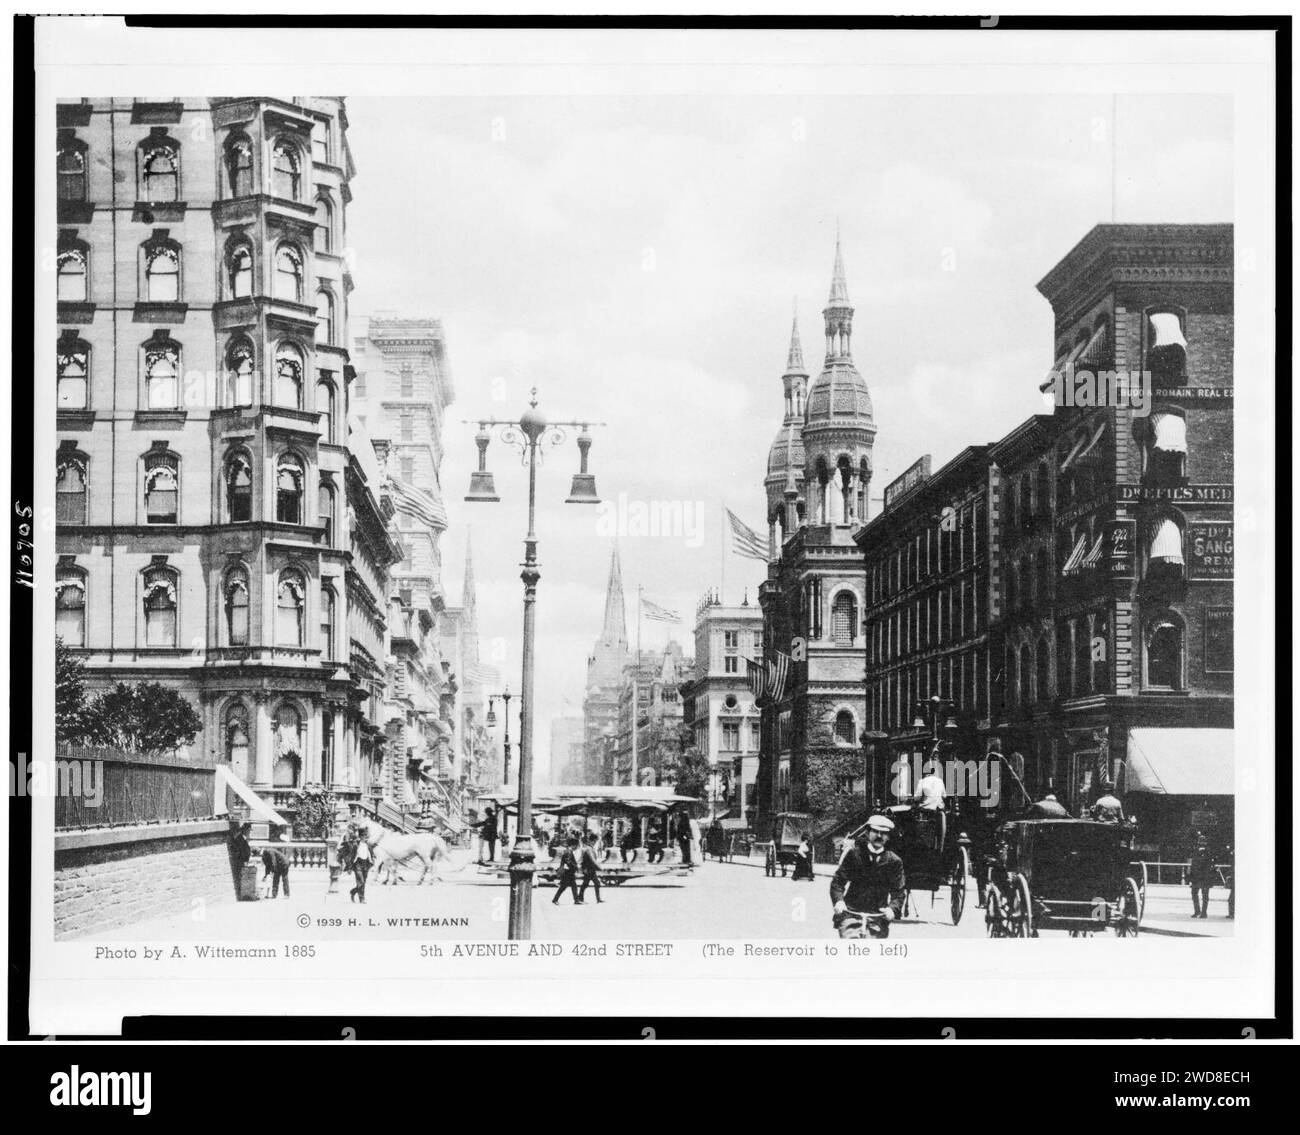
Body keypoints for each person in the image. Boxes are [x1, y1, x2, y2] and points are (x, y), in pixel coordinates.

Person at [830, 815, 906, 939]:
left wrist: (892, 909)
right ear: (868, 832)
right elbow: (837, 882)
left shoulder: (894, 861)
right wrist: (839, 901)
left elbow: (899, 892)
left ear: (888, 837)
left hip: (878, 917)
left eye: (884, 833)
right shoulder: (855, 855)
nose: (879, 836)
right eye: (875, 831)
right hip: (851, 914)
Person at [1188, 835, 1215, 918]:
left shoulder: (1198, 852)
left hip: (1199, 878)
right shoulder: (1208, 852)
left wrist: (1190, 878)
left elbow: (1193, 866)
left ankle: (1199, 912)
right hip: (1203, 878)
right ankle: (1202, 912)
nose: (1201, 843)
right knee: (1203, 895)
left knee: (1198, 894)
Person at [552, 837, 582, 905]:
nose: (577, 847)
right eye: (577, 845)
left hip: (569, 872)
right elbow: (568, 862)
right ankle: (555, 899)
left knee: (573, 887)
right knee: (563, 887)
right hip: (568, 872)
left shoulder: (568, 851)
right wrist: (575, 867)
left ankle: (576, 900)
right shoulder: (568, 851)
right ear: (573, 845)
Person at [578, 832, 605, 903]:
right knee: (595, 883)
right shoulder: (589, 849)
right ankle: (597, 899)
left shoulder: (589, 848)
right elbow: (592, 860)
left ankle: (581, 898)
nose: (595, 843)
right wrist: (600, 867)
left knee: (587, 884)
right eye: (595, 841)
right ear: (592, 840)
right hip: (588, 869)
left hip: (590, 869)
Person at [350, 825, 372, 904]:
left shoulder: (368, 845)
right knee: (361, 882)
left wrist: (371, 862)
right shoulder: (356, 845)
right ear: (360, 836)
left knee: (363, 882)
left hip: (366, 864)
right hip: (358, 864)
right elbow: (352, 856)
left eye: (365, 835)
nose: (364, 837)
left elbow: (370, 854)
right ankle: (362, 899)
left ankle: (353, 892)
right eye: (363, 835)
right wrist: (350, 866)